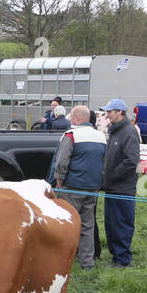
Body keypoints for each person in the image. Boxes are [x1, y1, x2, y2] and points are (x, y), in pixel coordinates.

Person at [51, 105, 107, 269]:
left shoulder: (71, 135)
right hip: (93, 187)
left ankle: (62, 262)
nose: (69, 120)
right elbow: (104, 161)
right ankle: (87, 263)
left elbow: (61, 161)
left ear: (76, 118)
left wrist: (59, 182)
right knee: (87, 225)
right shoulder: (101, 136)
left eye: (71, 117)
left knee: (66, 224)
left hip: (72, 187)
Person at [100, 97, 139, 268]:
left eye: (110, 111)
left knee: (121, 222)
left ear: (120, 113)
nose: (107, 115)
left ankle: (123, 259)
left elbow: (131, 161)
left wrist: (111, 176)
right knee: (111, 223)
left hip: (123, 188)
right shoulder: (115, 131)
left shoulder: (128, 132)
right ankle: (116, 256)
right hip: (112, 187)